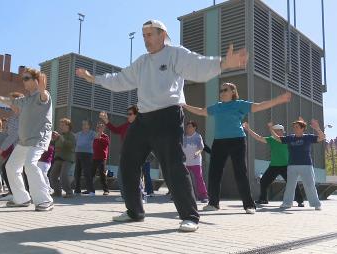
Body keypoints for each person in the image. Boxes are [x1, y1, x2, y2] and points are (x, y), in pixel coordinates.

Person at [76, 19, 247, 232]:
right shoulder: (142, 62)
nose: (146, 39)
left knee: (173, 166)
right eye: (143, 35)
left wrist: (223, 63)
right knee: (128, 163)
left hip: (168, 116)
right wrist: (94, 79)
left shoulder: (175, 54)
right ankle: (134, 211)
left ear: (162, 34)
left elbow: (198, 65)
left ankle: (190, 216)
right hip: (143, 119)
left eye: (149, 34)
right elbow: (120, 79)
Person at [183, 82, 291, 214]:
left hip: (237, 141)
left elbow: (259, 106)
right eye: (221, 90)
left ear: (233, 92)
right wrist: (184, 105)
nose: (222, 92)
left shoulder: (240, 104)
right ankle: (213, 203)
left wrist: (278, 100)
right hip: (219, 142)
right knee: (214, 173)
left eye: (225, 90)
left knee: (240, 173)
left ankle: (249, 205)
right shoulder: (217, 107)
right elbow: (201, 111)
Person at [0, 67, 54, 211]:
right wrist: (2, 99)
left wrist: (42, 89)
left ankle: (45, 200)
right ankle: (22, 198)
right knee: (11, 167)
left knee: (30, 165)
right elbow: (13, 102)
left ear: (36, 81)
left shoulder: (43, 95)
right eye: (23, 78)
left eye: (27, 78)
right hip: (24, 141)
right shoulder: (25, 99)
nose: (23, 81)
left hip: (38, 139)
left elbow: (44, 97)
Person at [242, 122, 304, 207]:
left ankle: (300, 201)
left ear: (283, 132)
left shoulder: (287, 140)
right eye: (276, 131)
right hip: (274, 166)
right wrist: (248, 129)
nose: (277, 132)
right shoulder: (271, 139)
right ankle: (263, 199)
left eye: (279, 131)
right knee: (263, 181)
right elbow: (258, 138)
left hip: (286, 166)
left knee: (293, 183)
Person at [269, 118, 324, 210]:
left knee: (310, 185)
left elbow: (321, 137)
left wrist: (317, 128)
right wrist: (271, 129)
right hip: (292, 165)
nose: (295, 128)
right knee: (290, 185)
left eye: (297, 127)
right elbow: (278, 138)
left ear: (302, 128)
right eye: (294, 127)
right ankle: (287, 203)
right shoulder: (290, 138)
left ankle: (316, 204)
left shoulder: (308, 137)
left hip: (306, 165)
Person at [182, 121, 208, 203]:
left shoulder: (197, 136)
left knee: (199, 178)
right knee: (184, 179)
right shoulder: (184, 137)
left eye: (190, 127)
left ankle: (203, 196)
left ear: (194, 128)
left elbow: (201, 147)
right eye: (187, 127)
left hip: (196, 162)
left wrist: (197, 152)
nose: (188, 128)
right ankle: (185, 195)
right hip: (186, 162)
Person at [49, 118, 76, 198]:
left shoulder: (71, 135)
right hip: (58, 158)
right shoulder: (60, 136)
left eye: (63, 125)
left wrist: (61, 138)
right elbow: (53, 145)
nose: (61, 127)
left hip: (67, 159)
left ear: (68, 126)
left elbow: (70, 145)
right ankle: (57, 192)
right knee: (52, 175)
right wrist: (52, 139)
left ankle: (69, 192)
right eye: (60, 125)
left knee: (63, 176)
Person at [74, 120, 95, 195]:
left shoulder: (92, 133)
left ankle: (91, 191)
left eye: (85, 124)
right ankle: (77, 190)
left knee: (87, 172)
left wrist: (100, 130)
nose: (83, 126)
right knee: (77, 173)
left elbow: (98, 136)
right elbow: (73, 138)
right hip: (78, 153)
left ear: (89, 125)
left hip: (87, 154)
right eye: (83, 124)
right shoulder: (79, 134)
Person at [91, 122, 110, 196]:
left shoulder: (105, 136)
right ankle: (90, 189)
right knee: (91, 173)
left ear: (103, 128)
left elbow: (107, 144)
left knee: (102, 174)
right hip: (94, 157)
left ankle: (106, 190)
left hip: (102, 157)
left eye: (101, 127)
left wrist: (100, 138)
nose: (99, 128)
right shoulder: (94, 136)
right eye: (98, 127)